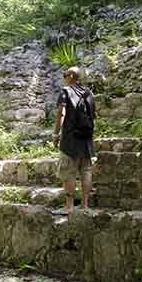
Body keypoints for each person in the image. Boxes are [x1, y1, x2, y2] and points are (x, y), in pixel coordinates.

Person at [53, 66, 96, 213]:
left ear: (71, 76)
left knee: (68, 172)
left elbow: (61, 113)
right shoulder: (89, 92)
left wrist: (55, 134)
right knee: (86, 170)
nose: (63, 77)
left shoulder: (65, 92)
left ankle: (69, 206)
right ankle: (84, 205)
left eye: (65, 74)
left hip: (70, 139)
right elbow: (93, 115)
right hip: (87, 138)